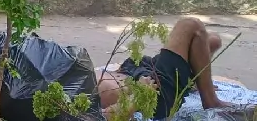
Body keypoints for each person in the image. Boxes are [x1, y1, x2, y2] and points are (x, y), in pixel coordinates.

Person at [98, 17, 234, 120]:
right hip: (152, 92)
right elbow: (105, 117)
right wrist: (136, 98)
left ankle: (189, 81)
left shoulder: (76, 80)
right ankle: (211, 101)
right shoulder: (77, 106)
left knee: (211, 41)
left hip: (134, 70)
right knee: (192, 26)